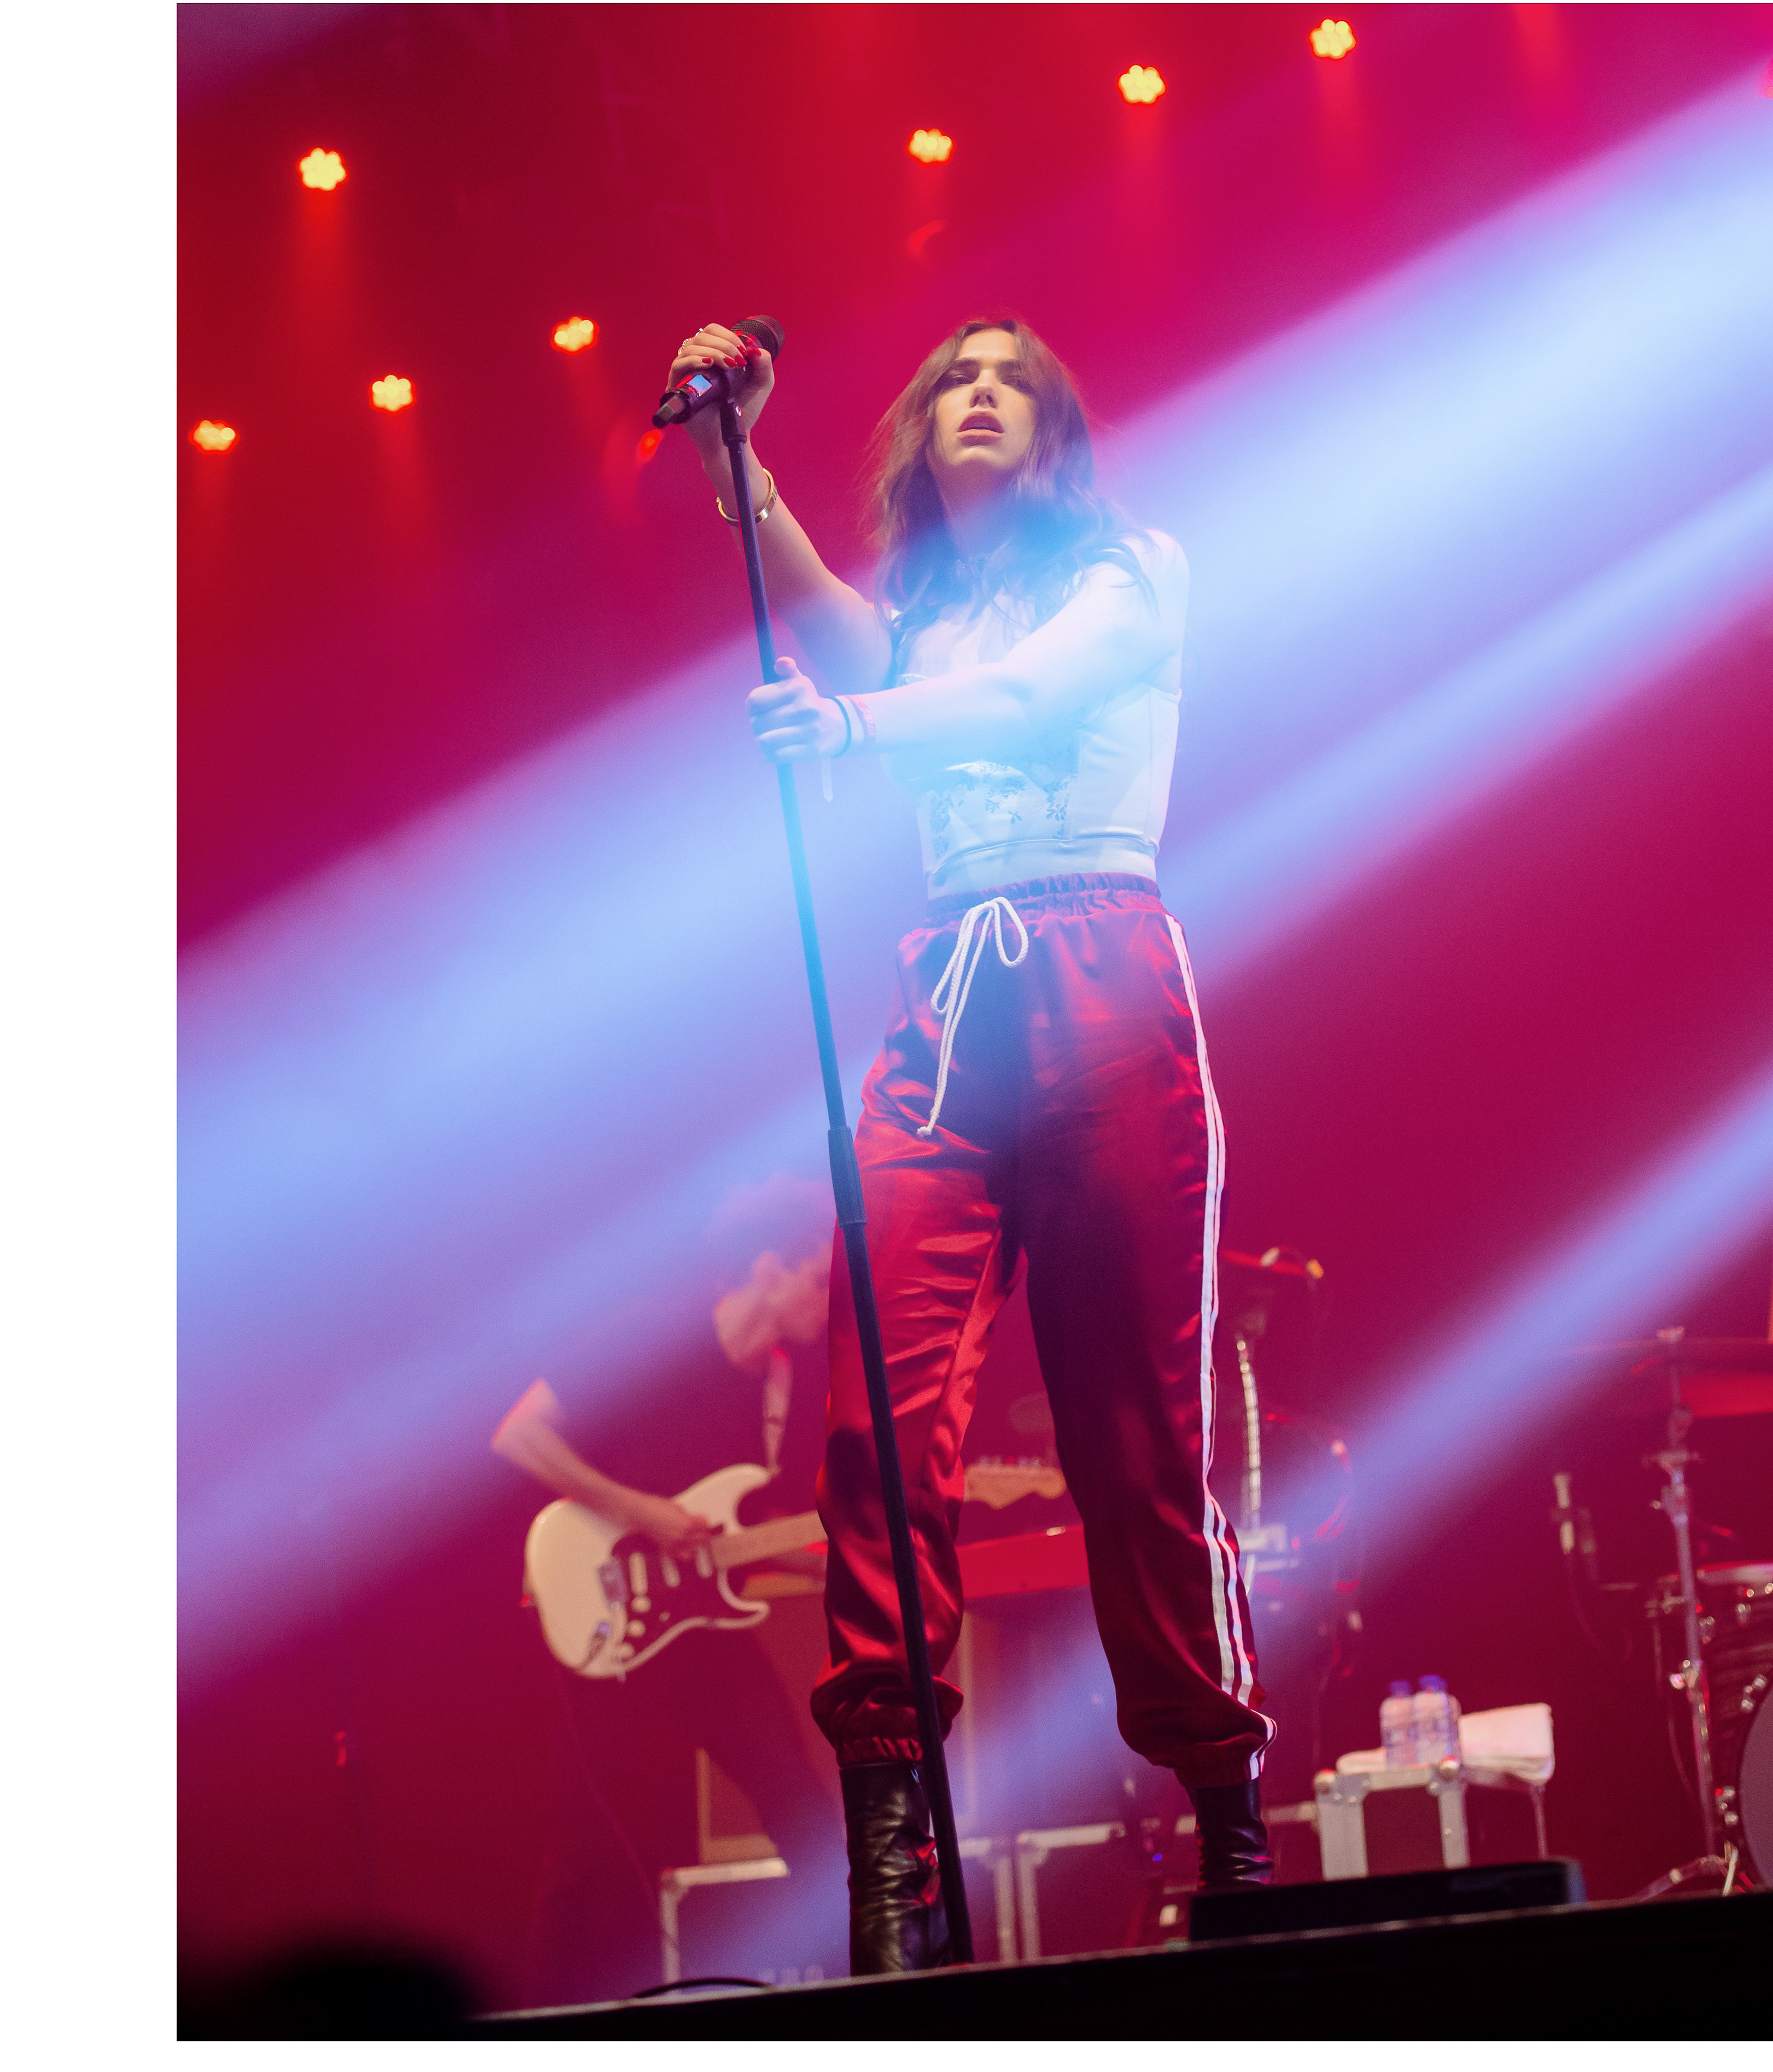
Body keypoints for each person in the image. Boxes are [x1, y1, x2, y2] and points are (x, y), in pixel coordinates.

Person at [666, 314, 1275, 1974]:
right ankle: (894, 1847)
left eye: (1012, 375)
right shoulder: (922, 618)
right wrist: (735, 460)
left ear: (1055, 426)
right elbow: (845, 629)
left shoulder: (1134, 571)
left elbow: (1014, 697)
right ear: (923, 432)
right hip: (950, 1001)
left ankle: (1225, 1813)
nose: (982, 392)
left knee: (1135, 1434)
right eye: (955, 377)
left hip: (1104, 977)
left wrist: (852, 734)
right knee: (878, 1418)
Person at [491, 1248, 845, 2001]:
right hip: (610, 1620)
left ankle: (879, 2000)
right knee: (584, 1856)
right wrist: (640, 1512)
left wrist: (833, 1562)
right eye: (819, 1281)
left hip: (705, 1636)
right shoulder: (657, 1338)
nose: (829, 1301)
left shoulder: (783, 1385)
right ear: (769, 1268)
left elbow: (739, 1533)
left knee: (805, 1814)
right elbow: (519, 1435)